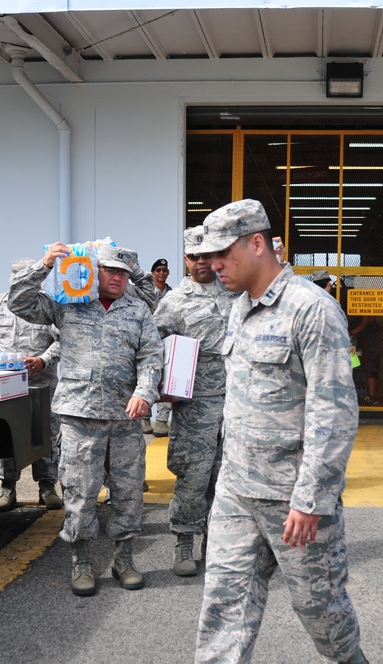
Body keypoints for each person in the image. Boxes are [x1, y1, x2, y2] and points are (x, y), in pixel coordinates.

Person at [192, 200, 368, 664]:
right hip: (237, 490)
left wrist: (311, 499)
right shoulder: (239, 308)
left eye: (221, 253)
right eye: (207, 256)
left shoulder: (311, 310)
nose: (212, 265)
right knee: (223, 607)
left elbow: (333, 412)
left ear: (256, 243)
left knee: (320, 609)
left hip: (293, 495)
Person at [9, 244, 164, 596]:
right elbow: (19, 302)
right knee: (80, 492)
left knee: (127, 492)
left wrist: (144, 392)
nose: (117, 277)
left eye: (123, 272)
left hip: (125, 417)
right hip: (80, 417)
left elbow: (151, 357)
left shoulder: (137, 310)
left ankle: (123, 558)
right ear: (94, 270)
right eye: (110, 270)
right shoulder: (70, 302)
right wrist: (44, 265)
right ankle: (81, 561)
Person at [152, 226, 238, 577]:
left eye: (208, 255)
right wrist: (161, 385)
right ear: (185, 260)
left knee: (230, 475)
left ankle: (216, 543)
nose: (202, 262)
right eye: (194, 256)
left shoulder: (237, 291)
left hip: (236, 400)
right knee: (194, 475)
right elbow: (152, 347)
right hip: (196, 403)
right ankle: (185, 540)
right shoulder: (174, 301)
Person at [0, 258, 62, 512]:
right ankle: (7, 487)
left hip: (41, 385)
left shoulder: (49, 305)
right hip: (7, 385)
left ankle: (47, 487)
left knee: (44, 433)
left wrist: (43, 360)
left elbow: (63, 340)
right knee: (6, 434)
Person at [146, 258, 174, 438]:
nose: (162, 273)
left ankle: (162, 420)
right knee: (147, 376)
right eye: (158, 270)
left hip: (166, 341)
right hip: (148, 341)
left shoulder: (172, 293)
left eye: (164, 270)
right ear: (152, 273)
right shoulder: (146, 292)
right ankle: (144, 418)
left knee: (168, 380)